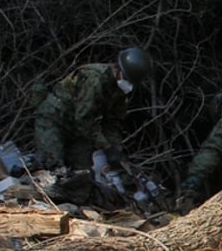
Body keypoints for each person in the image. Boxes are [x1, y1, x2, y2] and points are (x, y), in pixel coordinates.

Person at [33, 47, 153, 188]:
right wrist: (106, 146)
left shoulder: (119, 91)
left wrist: (115, 150)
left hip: (77, 129)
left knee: (83, 175)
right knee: (51, 169)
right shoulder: (94, 78)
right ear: (118, 70)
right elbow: (83, 118)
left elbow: (112, 122)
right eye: (127, 79)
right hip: (54, 119)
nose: (128, 84)